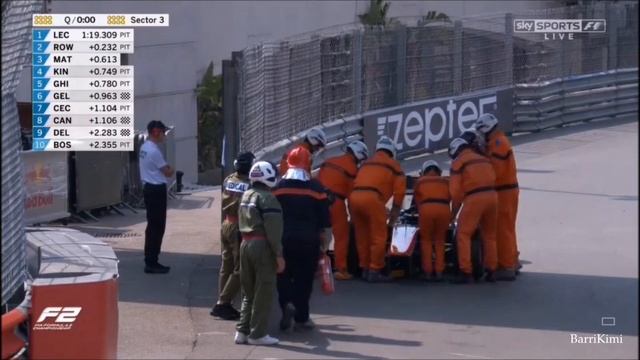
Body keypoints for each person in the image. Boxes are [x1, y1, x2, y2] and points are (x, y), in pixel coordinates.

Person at [273, 147, 331, 332]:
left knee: (282, 274)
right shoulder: (316, 188)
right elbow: (324, 219)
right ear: (308, 164)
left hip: (284, 239)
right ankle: (301, 317)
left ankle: (287, 304)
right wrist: (322, 241)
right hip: (309, 240)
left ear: (288, 163)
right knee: (304, 279)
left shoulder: (278, 187)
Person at [234, 161, 285, 346]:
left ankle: (242, 330)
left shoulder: (246, 194)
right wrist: (278, 255)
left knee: (247, 292)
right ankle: (258, 334)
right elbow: (274, 231)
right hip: (261, 246)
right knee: (263, 290)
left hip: (245, 244)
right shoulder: (268, 198)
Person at [349, 136, 406, 283]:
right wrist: (393, 218)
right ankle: (375, 269)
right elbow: (399, 194)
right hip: (373, 199)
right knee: (378, 236)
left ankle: (364, 268)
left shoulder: (366, 163)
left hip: (354, 197)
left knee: (362, 236)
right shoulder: (394, 165)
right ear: (392, 151)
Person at [475, 113, 520, 280]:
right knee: (507, 227)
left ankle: (506, 266)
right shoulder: (497, 142)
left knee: (502, 230)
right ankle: (512, 261)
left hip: (504, 191)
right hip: (506, 190)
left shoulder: (498, 143)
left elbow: (495, 171)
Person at [211, 152, 255, 320]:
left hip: (226, 224)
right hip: (239, 226)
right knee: (240, 268)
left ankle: (223, 301)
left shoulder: (229, 179)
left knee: (226, 266)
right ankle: (223, 303)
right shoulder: (250, 185)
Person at [448, 137, 498, 284]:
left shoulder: (459, 162)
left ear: (455, 150)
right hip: (492, 196)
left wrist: (453, 215)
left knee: (463, 234)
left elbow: (456, 193)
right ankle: (491, 271)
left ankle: (466, 272)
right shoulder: (483, 159)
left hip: (474, 198)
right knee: (489, 236)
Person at [316, 140, 369, 280]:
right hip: (336, 203)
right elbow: (352, 197)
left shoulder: (329, 161)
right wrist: (354, 217)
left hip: (317, 201)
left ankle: (314, 267)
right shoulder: (352, 169)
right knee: (342, 236)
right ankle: (341, 269)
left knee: (318, 235)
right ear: (358, 155)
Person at [139, 120, 175, 274]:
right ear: (155, 132)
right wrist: (171, 168)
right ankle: (152, 261)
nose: (164, 135)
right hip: (156, 189)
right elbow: (167, 171)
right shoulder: (154, 151)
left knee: (152, 226)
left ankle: (150, 258)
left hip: (148, 187)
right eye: (162, 132)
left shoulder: (144, 147)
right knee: (158, 227)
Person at [413, 160, 451, 282]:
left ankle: (428, 272)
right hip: (444, 209)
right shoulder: (446, 181)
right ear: (438, 171)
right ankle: (439, 271)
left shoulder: (420, 182)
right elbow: (451, 197)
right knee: (440, 241)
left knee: (426, 241)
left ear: (424, 171)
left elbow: (417, 201)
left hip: (426, 209)